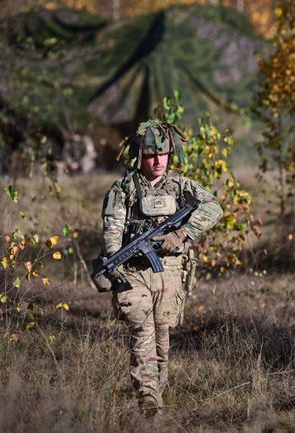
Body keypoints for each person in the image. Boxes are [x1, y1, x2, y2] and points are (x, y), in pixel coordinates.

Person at [98, 119, 222, 414]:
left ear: (169, 155)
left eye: (162, 155)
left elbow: (214, 207)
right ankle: (148, 398)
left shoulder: (181, 185)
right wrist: (115, 265)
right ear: (140, 155)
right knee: (142, 334)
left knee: (163, 340)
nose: (157, 161)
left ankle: (157, 388)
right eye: (151, 155)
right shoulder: (124, 189)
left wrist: (182, 233)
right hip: (135, 272)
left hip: (169, 274)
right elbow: (112, 232)